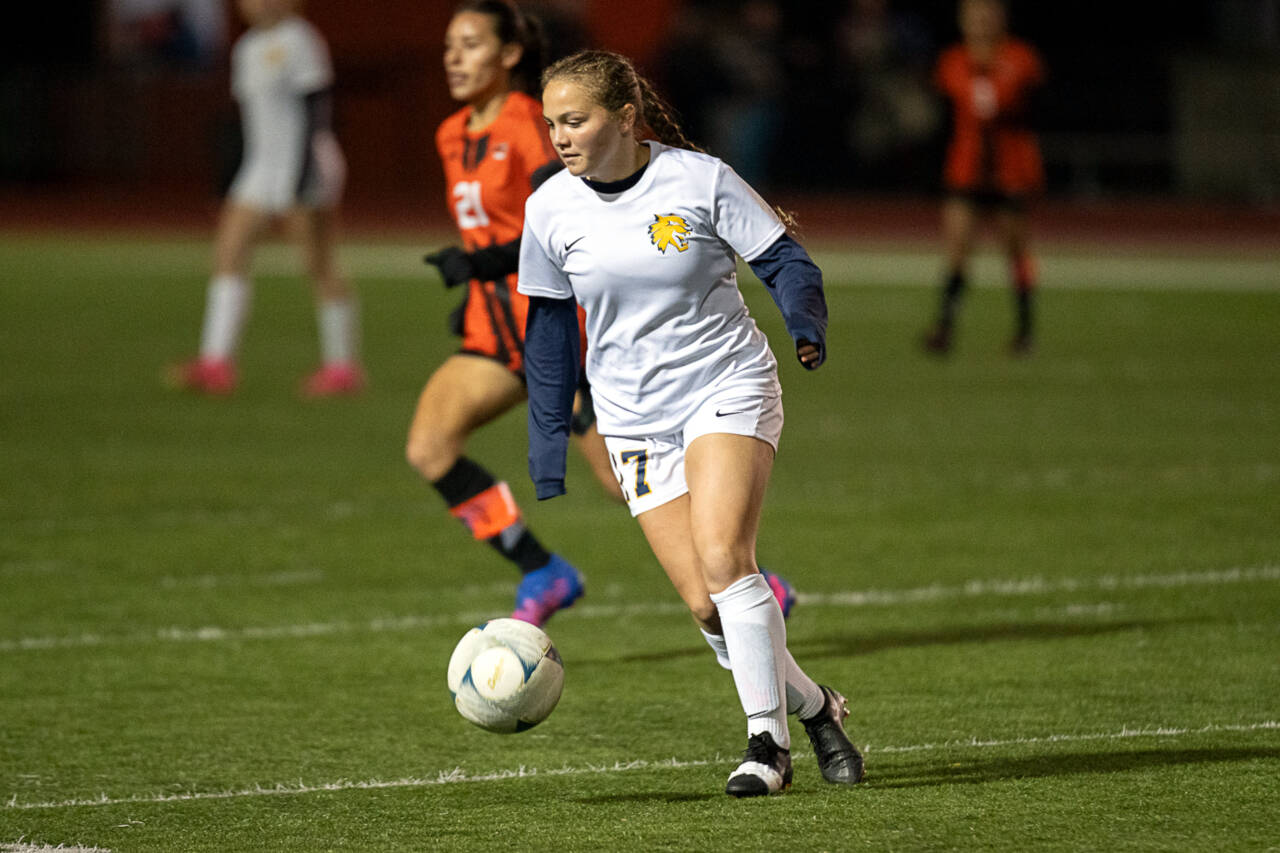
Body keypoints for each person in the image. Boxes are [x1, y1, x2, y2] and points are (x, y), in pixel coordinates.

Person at [518, 49, 864, 797]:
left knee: (723, 553)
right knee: (708, 603)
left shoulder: (697, 180)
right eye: (551, 124)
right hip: (633, 418)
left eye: (574, 120)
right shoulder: (549, 206)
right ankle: (816, 706)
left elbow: (785, 259)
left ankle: (766, 744)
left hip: (726, 384)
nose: (560, 137)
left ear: (626, 118)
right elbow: (548, 327)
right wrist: (552, 439)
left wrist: (804, 323)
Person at [407, 0, 613, 628]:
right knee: (431, 447)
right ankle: (540, 569)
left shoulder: (529, 123)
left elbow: (563, 220)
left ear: (510, 54)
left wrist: (483, 267)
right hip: (494, 332)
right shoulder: (451, 134)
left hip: (554, 330)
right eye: (449, 47)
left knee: (627, 481)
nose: (455, 58)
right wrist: (479, 286)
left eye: (470, 44)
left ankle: (744, 583)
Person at [170, 0, 364, 396]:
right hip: (260, 167)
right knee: (228, 254)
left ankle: (343, 369)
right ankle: (216, 362)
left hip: (304, 163)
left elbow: (317, 110)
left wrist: (301, 178)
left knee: (319, 264)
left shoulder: (301, 39)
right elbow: (246, 122)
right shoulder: (246, 48)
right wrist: (226, 182)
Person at [923, 0, 1045, 356]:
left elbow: (1035, 109)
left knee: (1016, 251)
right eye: (974, 15)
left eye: (988, 14)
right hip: (966, 168)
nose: (981, 21)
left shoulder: (1021, 58)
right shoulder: (952, 61)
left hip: (1010, 170)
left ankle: (1025, 330)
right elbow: (944, 116)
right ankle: (944, 327)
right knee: (957, 250)